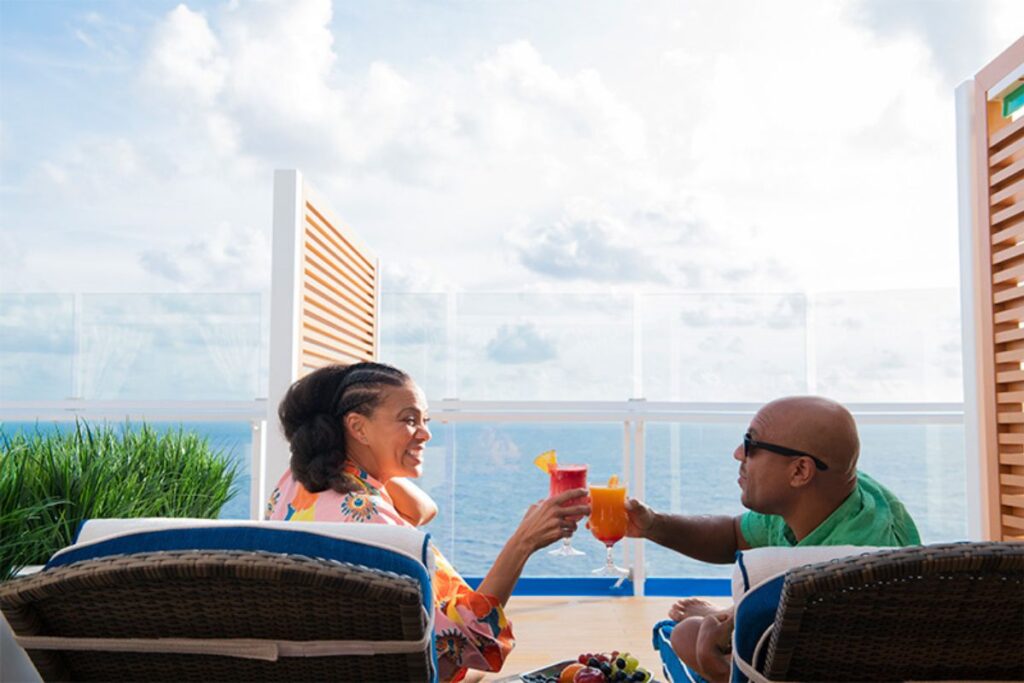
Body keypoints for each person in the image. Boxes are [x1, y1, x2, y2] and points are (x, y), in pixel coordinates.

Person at [266, 362, 589, 683]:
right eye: (409, 420)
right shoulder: (371, 519)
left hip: (320, 662)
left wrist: (384, 470)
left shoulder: (298, 483)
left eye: (426, 420)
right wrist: (524, 542)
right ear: (358, 427)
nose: (426, 433)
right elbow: (468, 640)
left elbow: (424, 509)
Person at [625, 396, 920, 682]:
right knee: (691, 631)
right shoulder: (821, 495)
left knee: (685, 635)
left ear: (800, 470)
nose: (738, 453)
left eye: (752, 445)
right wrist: (653, 525)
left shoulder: (850, 568)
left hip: (844, 659)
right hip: (807, 638)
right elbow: (732, 535)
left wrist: (723, 659)